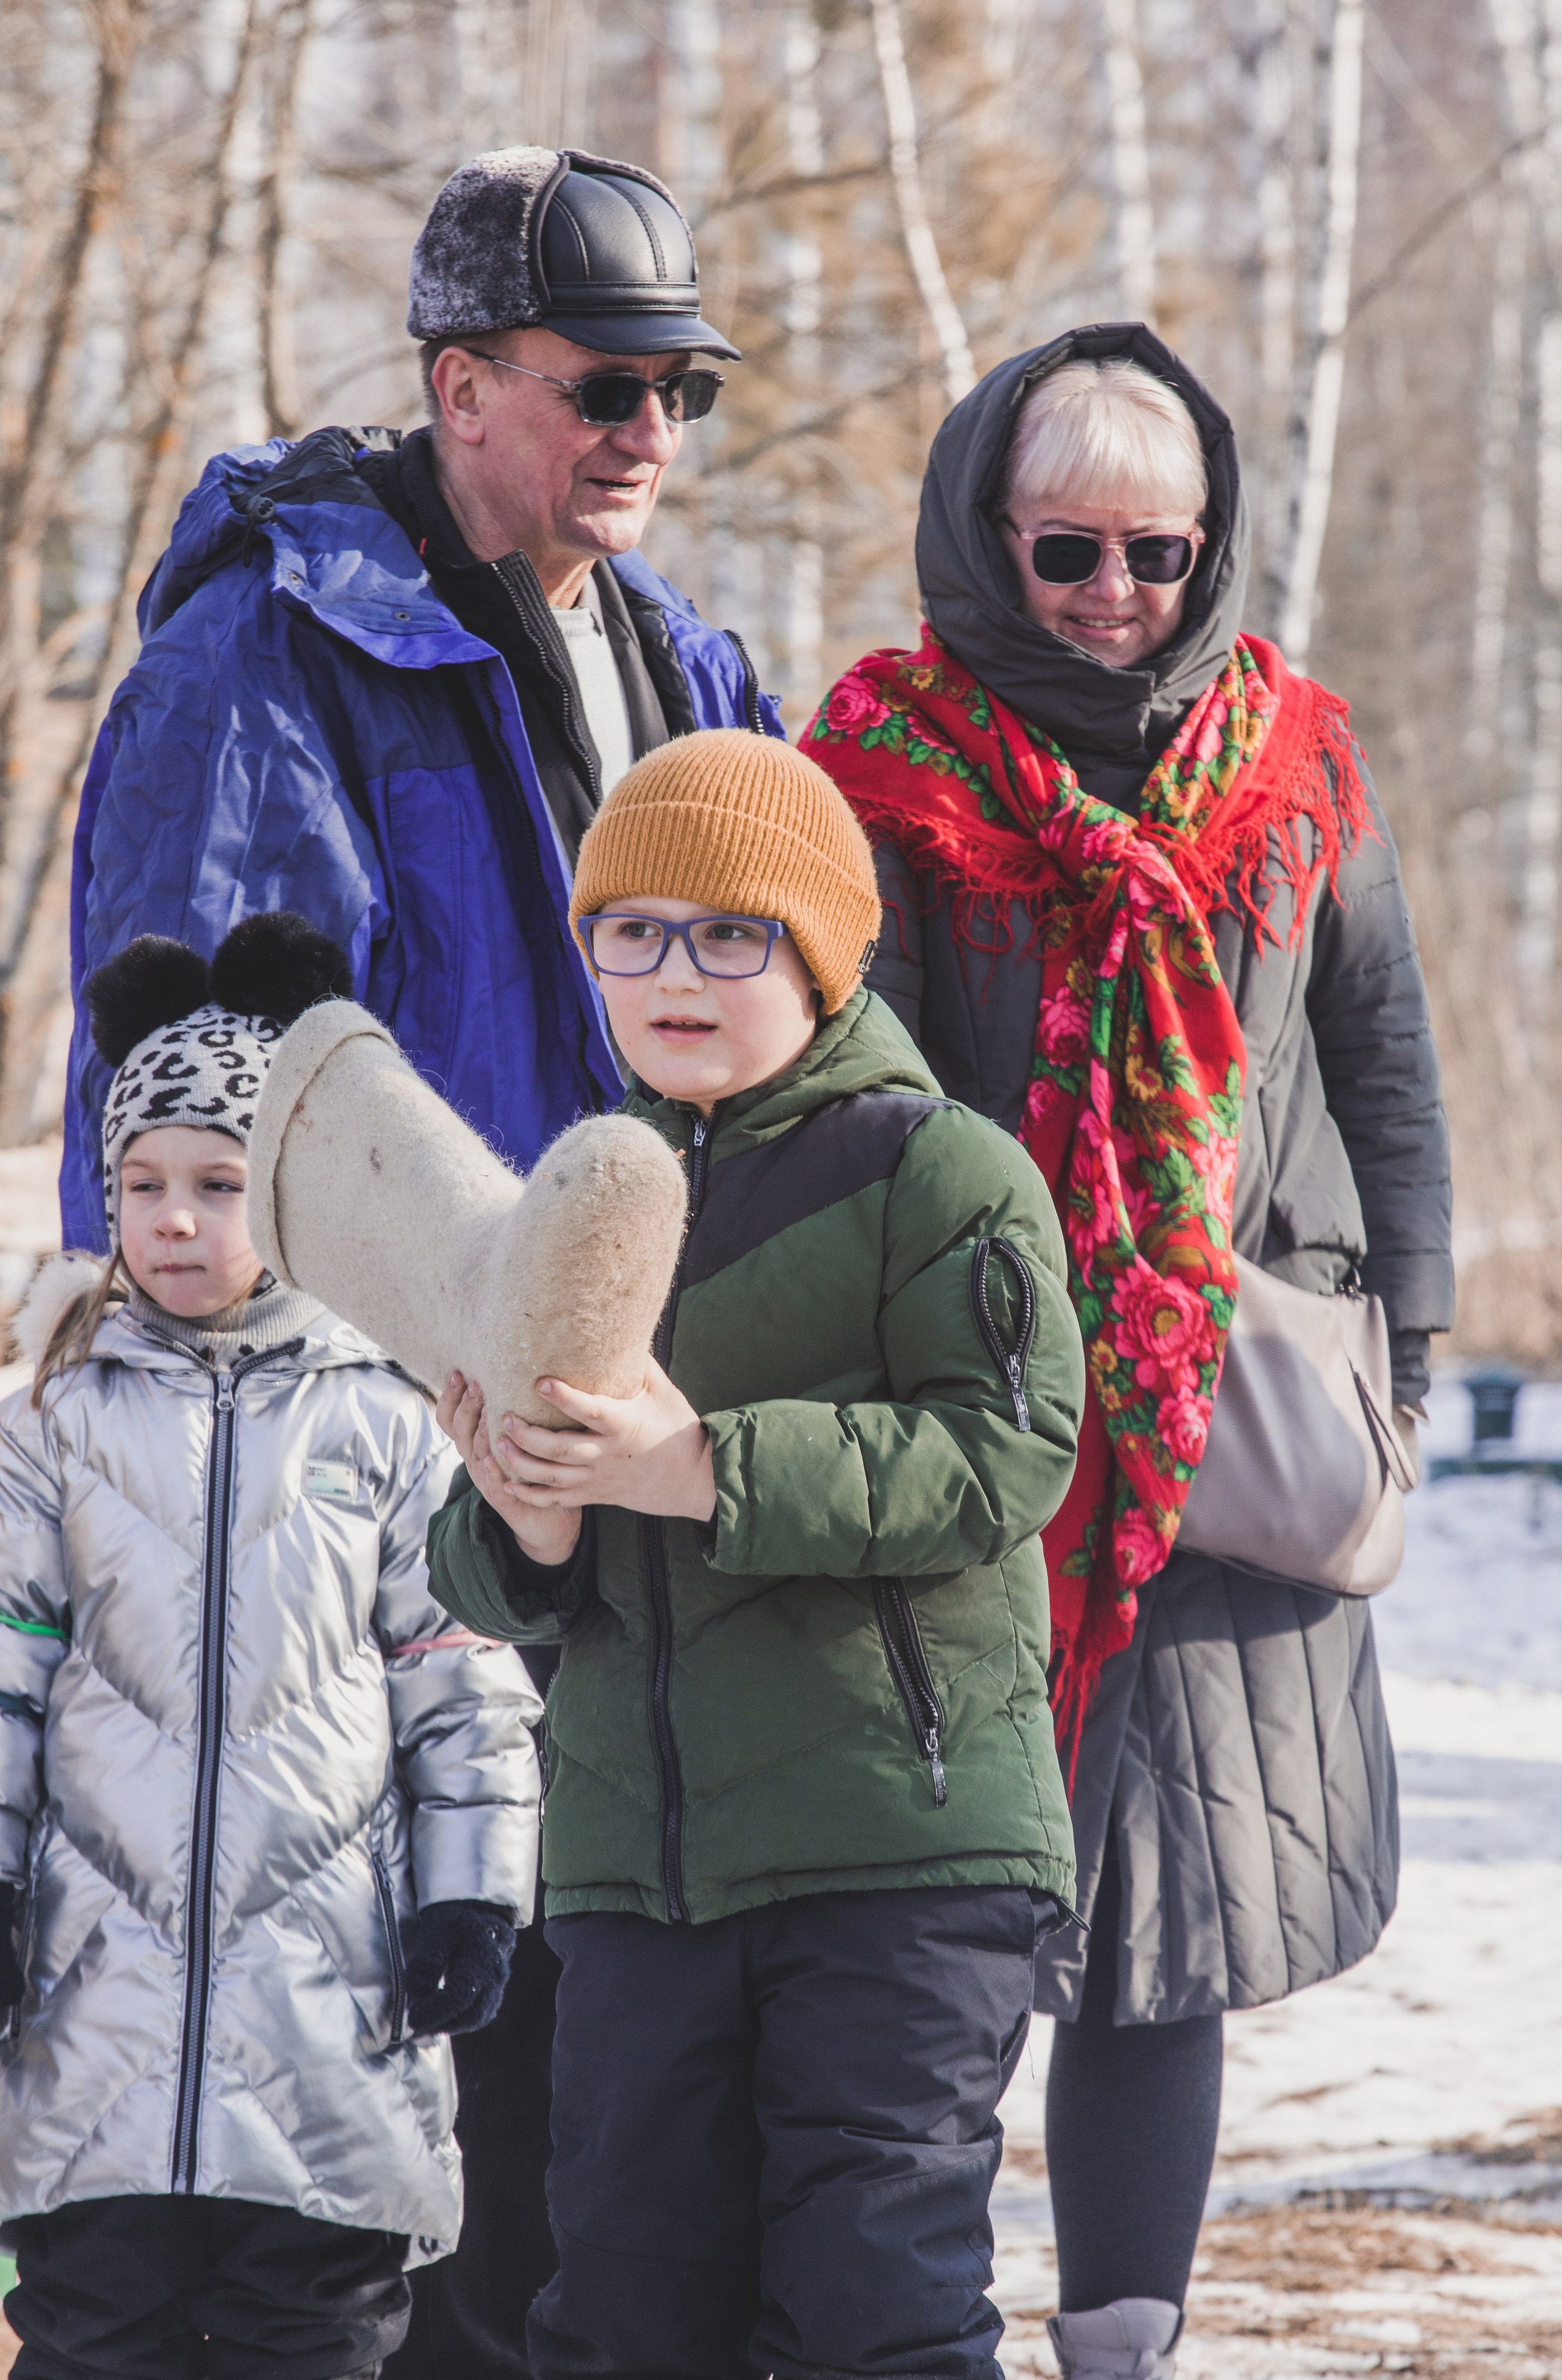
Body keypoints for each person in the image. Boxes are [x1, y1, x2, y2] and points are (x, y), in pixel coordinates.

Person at [59, 145, 780, 2377]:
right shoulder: (268, 647)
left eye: (684, 389)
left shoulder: (688, 657)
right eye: (606, 384)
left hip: (634, 1467)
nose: (651, 430)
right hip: (378, 1510)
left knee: (617, 2112)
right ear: (464, 384)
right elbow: (193, 1099)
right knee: (418, 2117)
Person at [802, 324, 1454, 2380]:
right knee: (926, 1935)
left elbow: (1389, 1074)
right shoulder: (884, 766)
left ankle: (1119, 2350)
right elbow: (852, 1102)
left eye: (1156, 554)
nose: (1112, 597)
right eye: (1066, 548)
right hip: (974, 1435)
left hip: (1222, 1436)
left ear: (1211, 546)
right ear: (989, 534)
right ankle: (901, 2334)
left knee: (1160, 1943)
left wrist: (1396, 1349)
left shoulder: (1293, 762)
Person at [417, 728, 1086, 2380]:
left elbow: (1009, 1450)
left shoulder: (935, 1168)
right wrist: (525, 1508)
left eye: (728, 931)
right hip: (638, 1877)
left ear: (820, 944)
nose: (673, 971)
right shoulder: (574, 1200)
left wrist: (698, 1464)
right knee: (628, 2316)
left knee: (878, 2311)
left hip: (897, 1852)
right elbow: (501, 1580)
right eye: (627, 931)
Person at [0, 912, 541, 2380]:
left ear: (293, 1193)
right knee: (93, 2338)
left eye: (221, 1185)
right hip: (96, 2033)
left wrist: (471, 1903)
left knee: (310, 2345)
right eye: (146, 1184)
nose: (177, 1219)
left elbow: (462, 1680)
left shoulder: (383, 1413)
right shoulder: (53, 1421)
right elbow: (5, 1681)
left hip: (330, 2031)